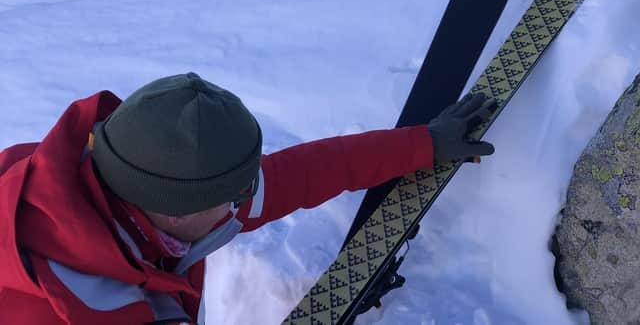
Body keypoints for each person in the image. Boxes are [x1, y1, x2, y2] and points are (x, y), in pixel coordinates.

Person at [0, 72, 496, 324]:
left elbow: (292, 177)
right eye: (234, 193)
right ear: (177, 208)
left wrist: (421, 144)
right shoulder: (74, 307)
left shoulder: (125, 180)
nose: (245, 200)